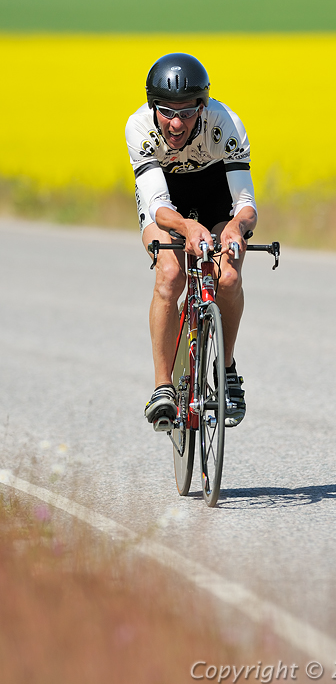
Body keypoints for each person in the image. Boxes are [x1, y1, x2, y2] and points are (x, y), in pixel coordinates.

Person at [125, 52, 258, 429]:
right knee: (170, 275)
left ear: (202, 107)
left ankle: (226, 369)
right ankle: (162, 386)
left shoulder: (226, 123)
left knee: (228, 276)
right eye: (167, 111)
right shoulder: (139, 127)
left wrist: (234, 228)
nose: (177, 122)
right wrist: (185, 229)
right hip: (168, 200)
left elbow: (246, 205)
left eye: (187, 111)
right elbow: (158, 206)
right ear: (153, 107)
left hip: (215, 191)